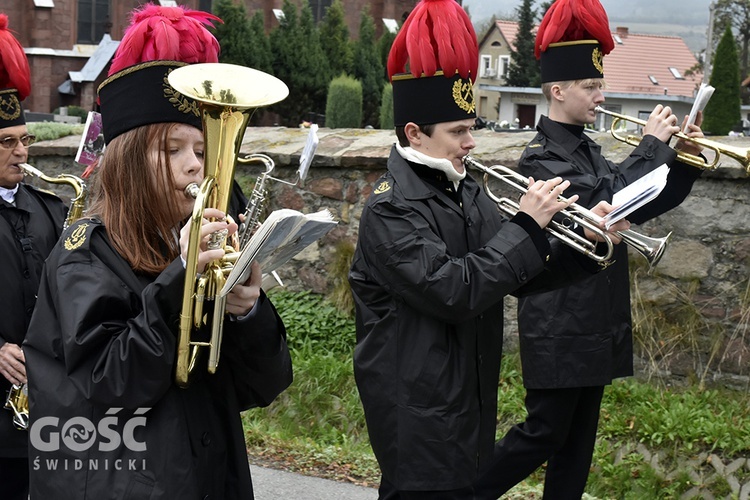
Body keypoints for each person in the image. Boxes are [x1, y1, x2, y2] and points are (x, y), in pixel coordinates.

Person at [348, 1, 630, 498]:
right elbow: (453, 290)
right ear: (414, 132)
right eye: (458, 132)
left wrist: (582, 244)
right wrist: (526, 225)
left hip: (466, 401)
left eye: (471, 128)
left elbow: (517, 275)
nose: (471, 143)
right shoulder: (390, 211)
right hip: (414, 407)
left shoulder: (470, 192)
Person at [22, 5, 292, 499]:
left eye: (201, 149)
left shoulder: (197, 244)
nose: (196, 166)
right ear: (128, 162)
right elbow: (111, 384)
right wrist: (180, 281)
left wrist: (247, 309)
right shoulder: (83, 255)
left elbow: (263, 387)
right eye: (173, 150)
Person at [472, 0, 706, 498]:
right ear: (558, 91)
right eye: (590, 87)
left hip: (596, 314)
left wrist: (681, 159)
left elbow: (637, 206)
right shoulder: (541, 157)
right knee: (542, 433)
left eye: (600, 85)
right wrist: (649, 147)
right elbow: (605, 203)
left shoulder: (589, 149)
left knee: (577, 447)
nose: (600, 96)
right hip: (560, 318)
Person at [0, 13, 68, 500]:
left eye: (25, 140)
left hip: (49, 404)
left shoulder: (50, 209)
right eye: (6, 143)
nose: (22, 153)